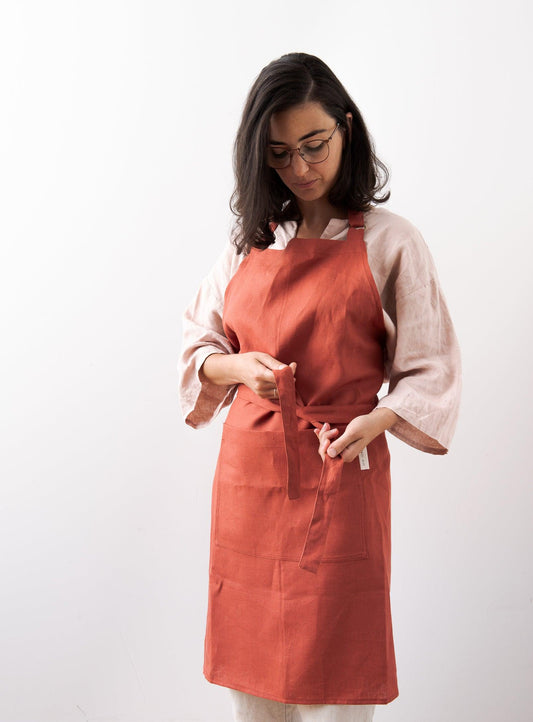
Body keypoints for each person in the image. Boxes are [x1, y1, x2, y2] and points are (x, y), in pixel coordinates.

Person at [178, 52, 461, 722]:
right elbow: (197, 346)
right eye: (278, 154)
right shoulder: (251, 242)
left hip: (340, 462)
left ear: (346, 129)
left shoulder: (390, 242)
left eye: (314, 146)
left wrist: (381, 418)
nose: (300, 169)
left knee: (341, 654)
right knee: (251, 654)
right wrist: (238, 368)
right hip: (250, 473)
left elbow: (430, 364)